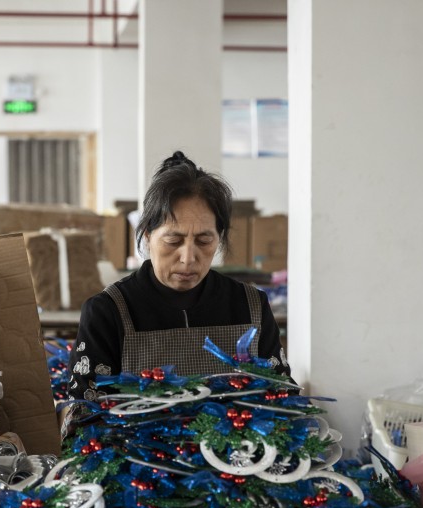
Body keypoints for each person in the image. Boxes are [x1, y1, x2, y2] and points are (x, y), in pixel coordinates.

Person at [68, 150, 290, 402]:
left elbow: (282, 397)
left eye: (204, 241)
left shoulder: (250, 307)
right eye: (173, 240)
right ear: (148, 235)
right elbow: (85, 414)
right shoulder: (109, 311)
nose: (188, 257)